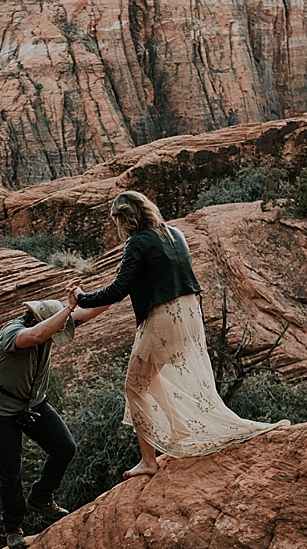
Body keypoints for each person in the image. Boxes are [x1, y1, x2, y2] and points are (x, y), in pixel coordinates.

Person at [74, 191, 288, 480]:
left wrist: (81, 297)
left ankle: (148, 461)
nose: (119, 228)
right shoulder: (174, 234)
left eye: (118, 221)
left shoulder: (137, 242)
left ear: (126, 218)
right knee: (152, 377)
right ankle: (179, 427)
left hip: (162, 317)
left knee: (134, 386)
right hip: (188, 314)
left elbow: (117, 290)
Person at [0, 281, 108, 549]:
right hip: (1, 410)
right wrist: (67, 309)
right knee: (10, 472)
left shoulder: (51, 325)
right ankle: (13, 529)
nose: (56, 338)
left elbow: (84, 314)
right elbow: (37, 335)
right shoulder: (12, 333)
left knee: (64, 448)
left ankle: (40, 498)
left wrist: (124, 288)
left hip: (33, 403)